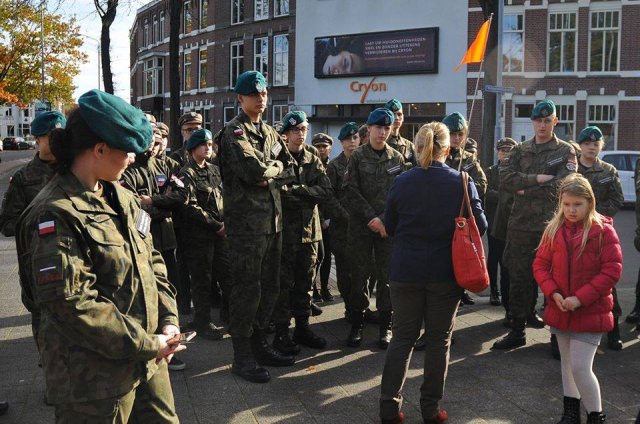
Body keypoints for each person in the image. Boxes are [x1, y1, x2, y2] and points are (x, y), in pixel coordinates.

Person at [16, 89, 183, 423]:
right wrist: (147, 343)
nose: (134, 158)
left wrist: (169, 320)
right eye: (128, 151)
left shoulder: (123, 197)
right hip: (94, 380)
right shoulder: (55, 213)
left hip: (149, 360)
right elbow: (71, 303)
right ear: (100, 149)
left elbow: (152, 263)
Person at [379, 122, 486, 424]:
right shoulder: (462, 181)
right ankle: (430, 410)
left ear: (415, 147)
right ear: (448, 148)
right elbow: (482, 226)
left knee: (402, 338)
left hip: (405, 270)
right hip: (445, 273)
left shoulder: (401, 181)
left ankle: (388, 408)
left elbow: (391, 224)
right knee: (439, 341)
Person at [219, 71, 296, 383]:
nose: (260, 99)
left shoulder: (269, 132)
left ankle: (259, 344)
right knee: (247, 290)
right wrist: (271, 169)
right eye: (253, 94)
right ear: (240, 98)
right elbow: (253, 172)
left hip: (273, 222)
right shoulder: (233, 133)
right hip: (247, 227)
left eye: (263, 93)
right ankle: (242, 356)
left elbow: (288, 167)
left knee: (270, 287)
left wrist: (272, 171)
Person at [533, 174, 622, 424]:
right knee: (567, 364)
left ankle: (596, 415)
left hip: (590, 310)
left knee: (581, 367)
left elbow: (612, 270)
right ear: (560, 203)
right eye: (566, 204)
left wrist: (580, 299)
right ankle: (570, 412)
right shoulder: (554, 229)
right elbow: (540, 264)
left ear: (590, 203)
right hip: (561, 308)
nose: (571, 210)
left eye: (577, 204)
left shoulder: (603, 230)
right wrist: (554, 292)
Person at [493, 99, 577, 350]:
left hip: (552, 226)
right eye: (538, 121)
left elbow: (567, 183)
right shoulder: (520, 150)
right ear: (532, 122)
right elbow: (505, 179)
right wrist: (538, 179)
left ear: (555, 121)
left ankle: (556, 334)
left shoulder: (565, 151)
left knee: (556, 281)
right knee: (519, 278)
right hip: (520, 226)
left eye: (547, 120)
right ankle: (517, 329)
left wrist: (525, 186)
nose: (542, 125)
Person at [120, 124, 188, 371]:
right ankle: (148, 347)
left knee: (169, 289)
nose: (153, 144)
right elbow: (133, 207)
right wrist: (164, 206)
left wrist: (155, 202)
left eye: (156, 139)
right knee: (143, 295)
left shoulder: (165, 166)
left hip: (166, 239)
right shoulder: (127, 171)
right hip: (141, 242)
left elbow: (181, 195)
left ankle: (170, 345)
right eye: (148, 139)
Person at [343, 108, 406, 349]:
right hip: (361, 226)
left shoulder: (396, 158)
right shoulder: (357, 157)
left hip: (386, 228)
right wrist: (372, 217)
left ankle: (385, 327)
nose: (382, 132)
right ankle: (357, 323)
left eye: (386, 128)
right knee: (359, 276)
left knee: (386, 277)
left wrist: (384, 219)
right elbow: (350, 191)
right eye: (378, 127)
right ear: (368, 129)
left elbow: (398, 195)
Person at [271, 111, 332, 355]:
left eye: (304, 130)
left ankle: (302, 328)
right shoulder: (277, 156)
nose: (300, 134)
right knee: (283, 283)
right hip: (284, 231)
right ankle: (281, 332)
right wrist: (306, 195)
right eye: (295, 130)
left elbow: (326, 190)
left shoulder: (312, 156)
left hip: (309, 232)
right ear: (286, 133)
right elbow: (277, 192)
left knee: (306, 283)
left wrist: (299, 192)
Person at [174, 129, 229, 342]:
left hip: (219, 233)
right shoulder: (184, 173)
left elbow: (223, 197)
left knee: (226, 275)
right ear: (192, 149)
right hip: (199, 236)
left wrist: (225, 223)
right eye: (202, 145)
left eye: (209, 144)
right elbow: (190, 206)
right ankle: (203, 321)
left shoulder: (215, 170)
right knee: (202, 279)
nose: (208, 147)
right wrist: (216, 225)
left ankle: (227, 313)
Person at [576, 126, 624, 351]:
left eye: (595, 144)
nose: (591, 147)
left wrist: (594, 216)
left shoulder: (608, 170)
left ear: (600, 147)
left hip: (600, 235)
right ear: (580, 145)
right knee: (572, 281)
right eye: (587, 144)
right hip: (573, 233)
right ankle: (564, 334)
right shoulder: (571, 170)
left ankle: (613, 332)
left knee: (606, 285)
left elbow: (616, 199)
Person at [442, 112, 487, 306]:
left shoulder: (468, 158)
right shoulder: (437, 154)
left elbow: (482, 183)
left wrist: (463, 185)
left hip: (461, 220)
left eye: (461, 134)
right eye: (453, 134)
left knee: (461, 259)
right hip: (441, 219)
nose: (457, 138)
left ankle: (459, 292)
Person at [0, 111, 65, 237]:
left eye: (61, 136)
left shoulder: (77, 171)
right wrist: (43, 226)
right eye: (52, 136)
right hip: (39, 253)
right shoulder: (23, 178)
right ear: (37, 139)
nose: (58, 141)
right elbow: (6, 224)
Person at [326, 123, 360, 320]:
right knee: (344, 271)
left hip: (361, 228)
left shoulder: (363, 162)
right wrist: (346, 215)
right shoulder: (334, 166)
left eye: (355, 138)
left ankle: (359, 306)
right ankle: (349, 305)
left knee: (362, 271)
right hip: (342, 228)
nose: (353, 142)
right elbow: (329, 197)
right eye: (348, 139)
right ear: (342, 142)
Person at [485, 138, 517, 307]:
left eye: (509, 150)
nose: (505, 153)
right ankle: (493, 291)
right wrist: (504, 196)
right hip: (494, 221)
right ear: (497, 152)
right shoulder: (491, 171)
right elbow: (486, 192)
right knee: (494, 258)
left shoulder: (517, 172)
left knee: (508, 260)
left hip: (512, 222)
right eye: (503, 150)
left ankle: (508, 293)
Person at [311, 132, 335, 302]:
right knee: (316, 257)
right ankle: (313, 288)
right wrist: (320, 219)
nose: (321, 150)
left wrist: (329, 218)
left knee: (326, 257)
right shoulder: (310, 166)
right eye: (318, 146)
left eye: (324, 146)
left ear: (330, 148)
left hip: (330, 218)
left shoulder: (333, 167)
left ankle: (325, 287)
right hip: (314, 220)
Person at [384, 99, 417, 167]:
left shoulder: (409, 146)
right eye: (393, 114)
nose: (396, 118)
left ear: (403, 117)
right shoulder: (381, 143)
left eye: (399, 114)